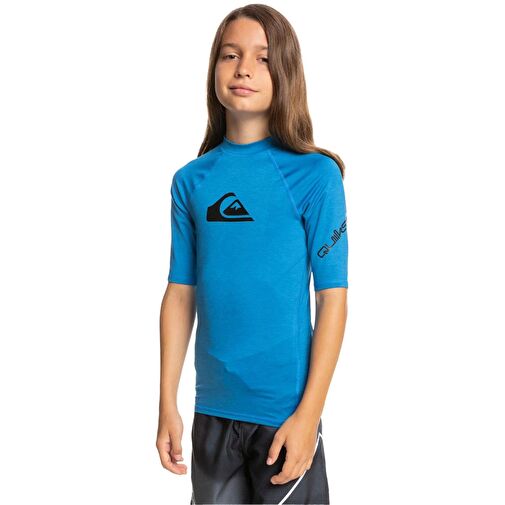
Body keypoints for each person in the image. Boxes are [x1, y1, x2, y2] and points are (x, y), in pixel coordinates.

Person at [156, 4, 348, 504]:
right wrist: (167, 401)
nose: (243, 69)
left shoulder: (316, 175)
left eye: (263, 59)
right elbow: (180, 292)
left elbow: (332, 298)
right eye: (230, 55)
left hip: (284, 416)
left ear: (285, 73)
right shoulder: (191, 181)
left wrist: (308, 415)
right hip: (212, 411)